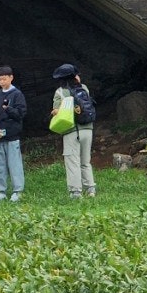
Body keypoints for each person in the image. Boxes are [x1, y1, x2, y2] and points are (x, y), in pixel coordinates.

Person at [51, 64, 96, 199]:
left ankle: (76, 191)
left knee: (72, 160)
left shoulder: (60, 92)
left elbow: (56, 111)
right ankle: (90, 189)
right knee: (85, 160)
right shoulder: (84, 88)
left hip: (72, 130)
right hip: (88, 128)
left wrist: (55, 112)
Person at [0, 66, 27, 202]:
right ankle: (1, 191)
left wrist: (8, 109)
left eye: (4, 79)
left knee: (14, 164)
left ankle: (18, 191)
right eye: (0, 79)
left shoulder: (17, 94)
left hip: (12, 136)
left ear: (11, 78)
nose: (2, 82)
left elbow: (21, 113)